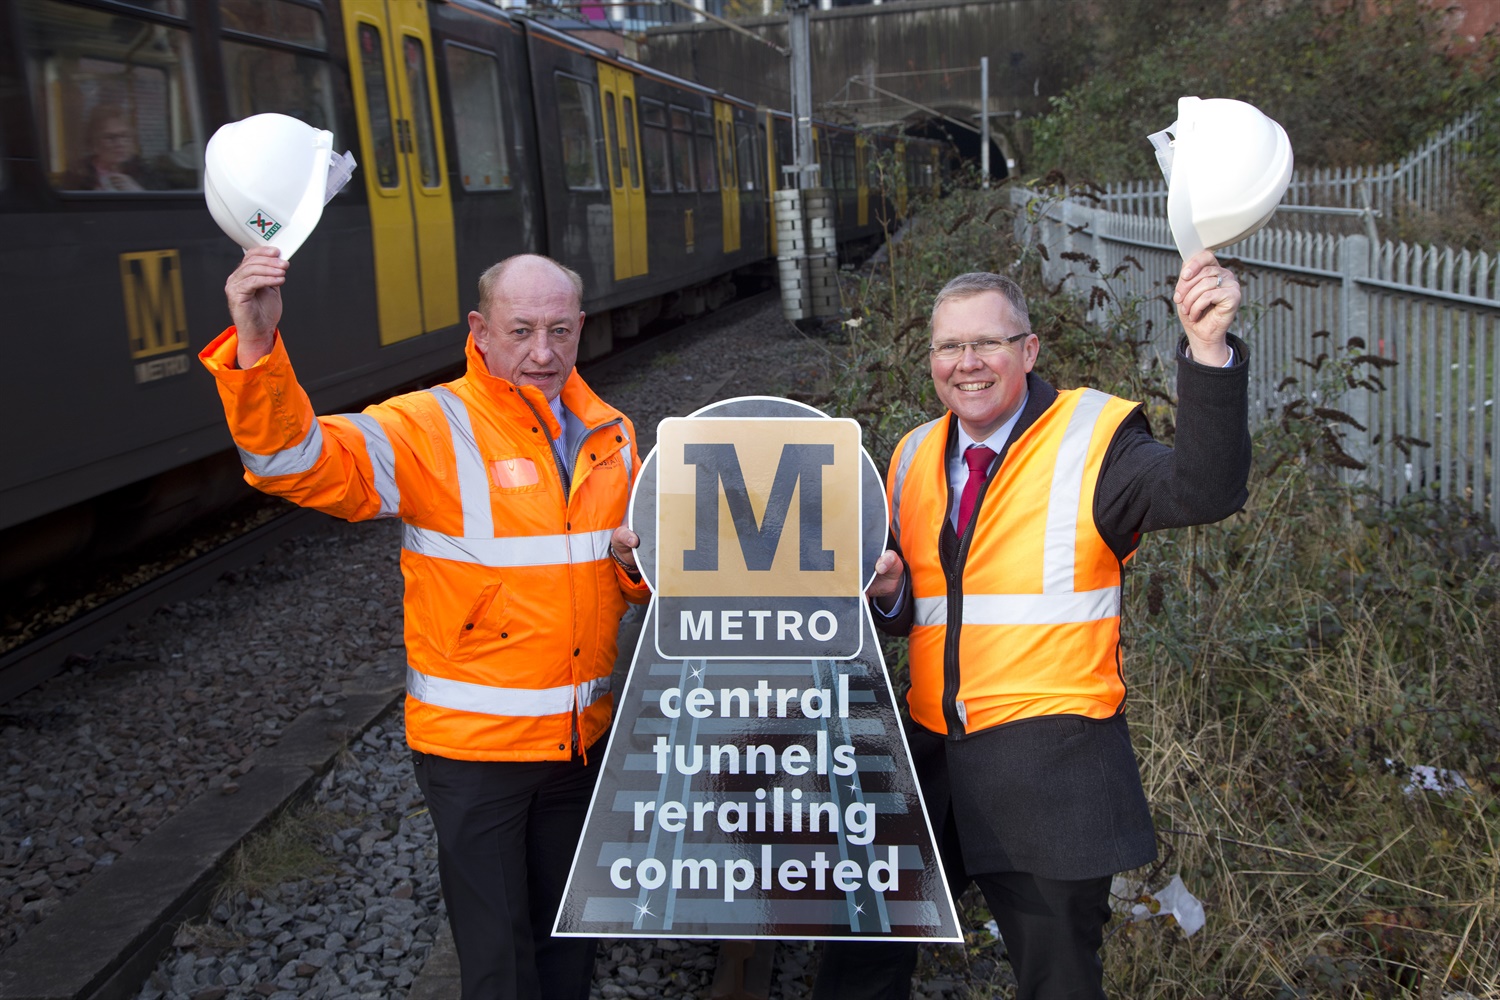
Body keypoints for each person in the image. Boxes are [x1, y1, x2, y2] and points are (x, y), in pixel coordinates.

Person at [201, 247, 650, 1000]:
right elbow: (291, 460)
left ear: (581, 327)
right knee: (500, 964)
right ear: (479, 330)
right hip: (475, 754)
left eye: (561, 331)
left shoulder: (612, 433)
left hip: (581, 741)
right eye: (521, 331)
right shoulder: (426, 426)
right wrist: (257, 348)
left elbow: (621, 582)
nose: (544, 353)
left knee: (570, 944)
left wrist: (638, 568)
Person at [815, 250, 1251, 1000]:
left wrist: (1207, 351)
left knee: (1058, 982)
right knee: (862, 950)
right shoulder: (913, 453)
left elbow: (1206, 489)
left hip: (1052, 766)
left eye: (987, 343)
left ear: (1028, 350)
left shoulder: (1097, 437)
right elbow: (924, 613)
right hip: (931, 760)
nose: (967, 363)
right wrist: (889, 594)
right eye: (949, 347)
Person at [64, 103, 146, 191]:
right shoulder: (80, 175)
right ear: (93, 143)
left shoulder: (145, 172)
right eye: (110, 137)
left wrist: (137, 192)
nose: (120, 143)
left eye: (124, 136)